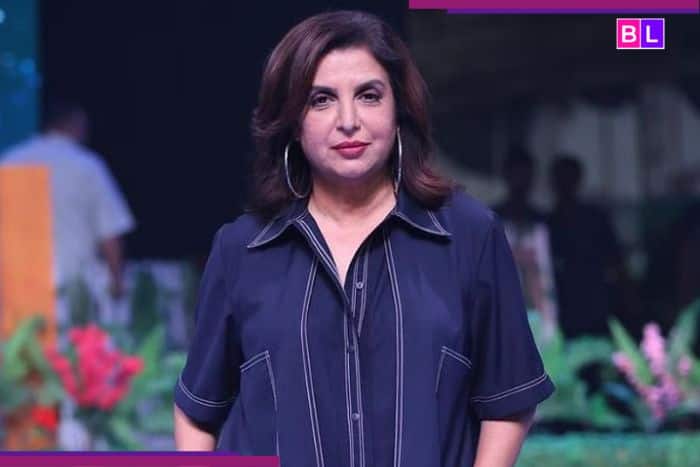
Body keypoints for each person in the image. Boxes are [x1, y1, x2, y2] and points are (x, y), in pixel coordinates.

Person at [173, 11, 554, 466]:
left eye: (369, 96)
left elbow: (509, 398)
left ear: (398, 109)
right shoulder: (242, 250)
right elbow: (199, 409)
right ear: (292, 120)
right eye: (321, 100)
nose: (348, 120)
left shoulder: (469, 235)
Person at [0, 99, 135, 318]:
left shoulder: (9, 162)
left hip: (18, 291)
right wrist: (117, 282)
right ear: (75, 124)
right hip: (72, 292)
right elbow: (110, 233)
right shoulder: (86, 165)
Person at [546, 155, 626, 338]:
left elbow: (616, 263)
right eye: (561, 179)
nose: (565, 185)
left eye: (569, 179)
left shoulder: (595, 220)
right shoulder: (547, 224)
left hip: (593, 306)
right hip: (562, 308)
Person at [493, 146, 558, 333]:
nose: (520, 181)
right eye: (516, 174)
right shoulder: (491, 221)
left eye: (525, 174)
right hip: (503, 315)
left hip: (543, 315)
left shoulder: (545, 223)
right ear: (506, 175)